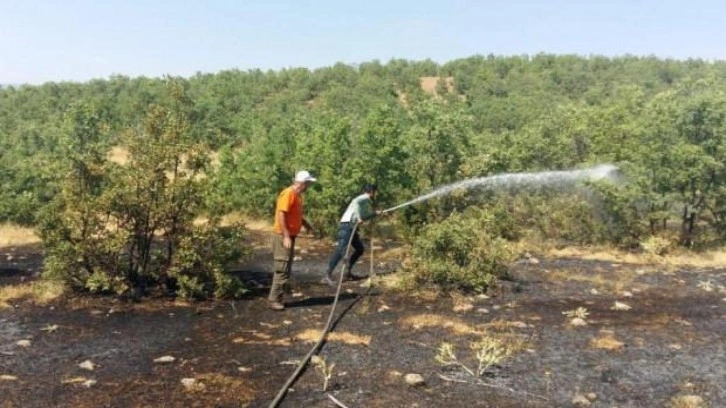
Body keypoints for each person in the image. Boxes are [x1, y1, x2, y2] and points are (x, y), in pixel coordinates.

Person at [268, 170, 316, 310]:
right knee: (282, 268)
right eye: (308, 183)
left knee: (286, 267)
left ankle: (279, 295)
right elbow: (281, 214)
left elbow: (295, 215)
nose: (309, 186)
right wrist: (286, 236)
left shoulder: (297, 195)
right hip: (282, 235)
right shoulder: (288, 193)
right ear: (303, 183)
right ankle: (274, 300)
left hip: (289, 235)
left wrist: (306, 225)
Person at [322, 183, 379, 286]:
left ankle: (347, 273)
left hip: (352, 227)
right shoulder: (364, 197)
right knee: (341, 250)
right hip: (347, 226)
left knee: (359, 249)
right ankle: (327, 275)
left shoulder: (366, 202)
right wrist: (358, 217)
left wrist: (374, 214)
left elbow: (364, 216)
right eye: (375, 192)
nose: (376, 194)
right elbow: (355, 202)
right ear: (371, 192)